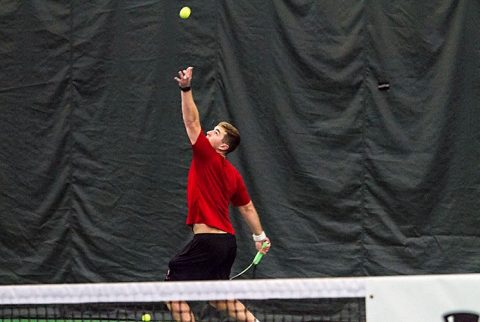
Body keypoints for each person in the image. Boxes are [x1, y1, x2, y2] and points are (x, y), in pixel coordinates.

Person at [165, 66, 271, 322]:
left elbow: (191, 122)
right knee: (217, 296)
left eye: (216, 133)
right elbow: (247, 208)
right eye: (211, 129)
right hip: (227, 245)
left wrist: (186, 89)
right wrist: (260, 236)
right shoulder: (233, 175)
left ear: (223, 146)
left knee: (170, 289)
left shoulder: (206, 155)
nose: (209, 133)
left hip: (209, 242)